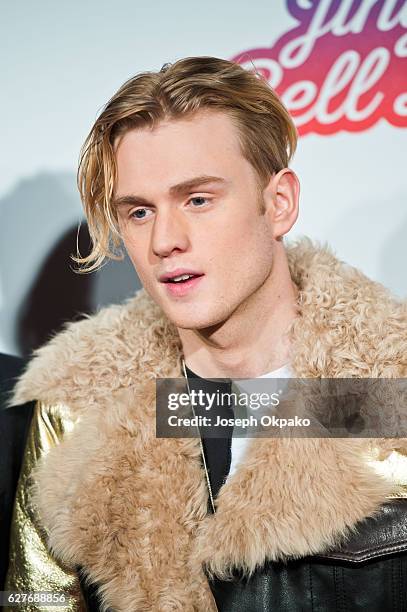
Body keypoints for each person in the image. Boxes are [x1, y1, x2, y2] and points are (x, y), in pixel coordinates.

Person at [5, 56, 407, 612]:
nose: (165, 240)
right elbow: (36, 602)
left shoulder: (394, 388)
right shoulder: (78, 407)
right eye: (140, 211)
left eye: (198, 199)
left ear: (279, 204)